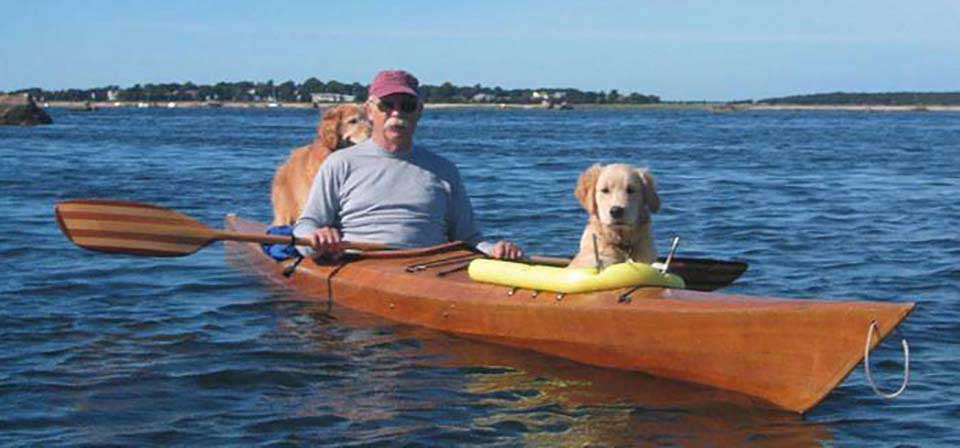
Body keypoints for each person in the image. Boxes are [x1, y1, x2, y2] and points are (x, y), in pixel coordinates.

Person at [293, 69, 523, 260]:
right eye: (387, 105)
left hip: (433, 267)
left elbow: (470, 238)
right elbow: (305, 228)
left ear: (419, 112)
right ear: (370, 111)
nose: (396, 113)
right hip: (362, 265)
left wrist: (494, 250)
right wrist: (317, 238)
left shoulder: (444, 169)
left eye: (407, 106)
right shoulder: (339, 164)